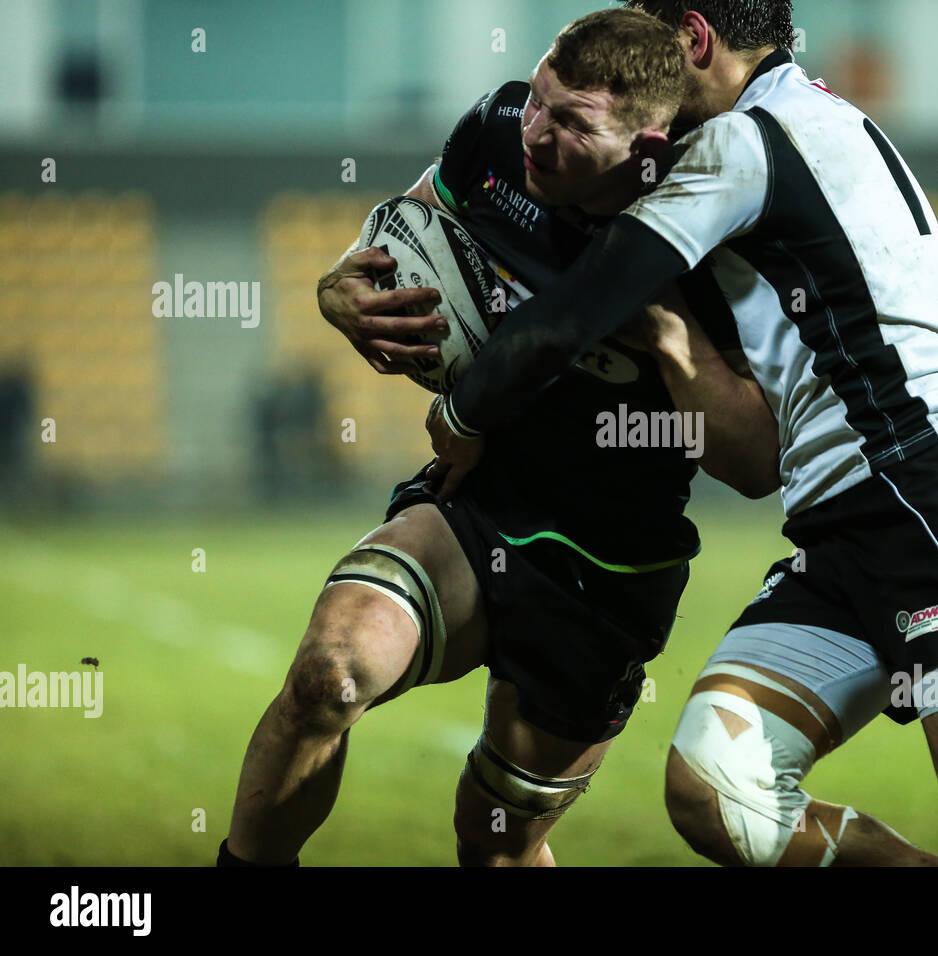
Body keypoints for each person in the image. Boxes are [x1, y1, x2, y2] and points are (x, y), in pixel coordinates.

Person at [426, 0, 938, 867]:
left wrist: (461, 411)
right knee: (717, 788)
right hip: (849, 523)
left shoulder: (743, 144)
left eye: (648, 41)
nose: (633, 71)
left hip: (924, 499)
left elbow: (577, 309)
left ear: (696, 40)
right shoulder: (813, 119)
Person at [217, 7, 779, 868]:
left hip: (612, 569)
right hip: (477, 501)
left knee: (495, 840)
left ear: (648, 150)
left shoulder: (709, 236)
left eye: (572, 123)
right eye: (540, 102)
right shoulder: (492, 132)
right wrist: (340, 291)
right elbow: (404, 230)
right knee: (327, 677)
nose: (536, 135)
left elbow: (753, 466)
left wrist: (671, 341)